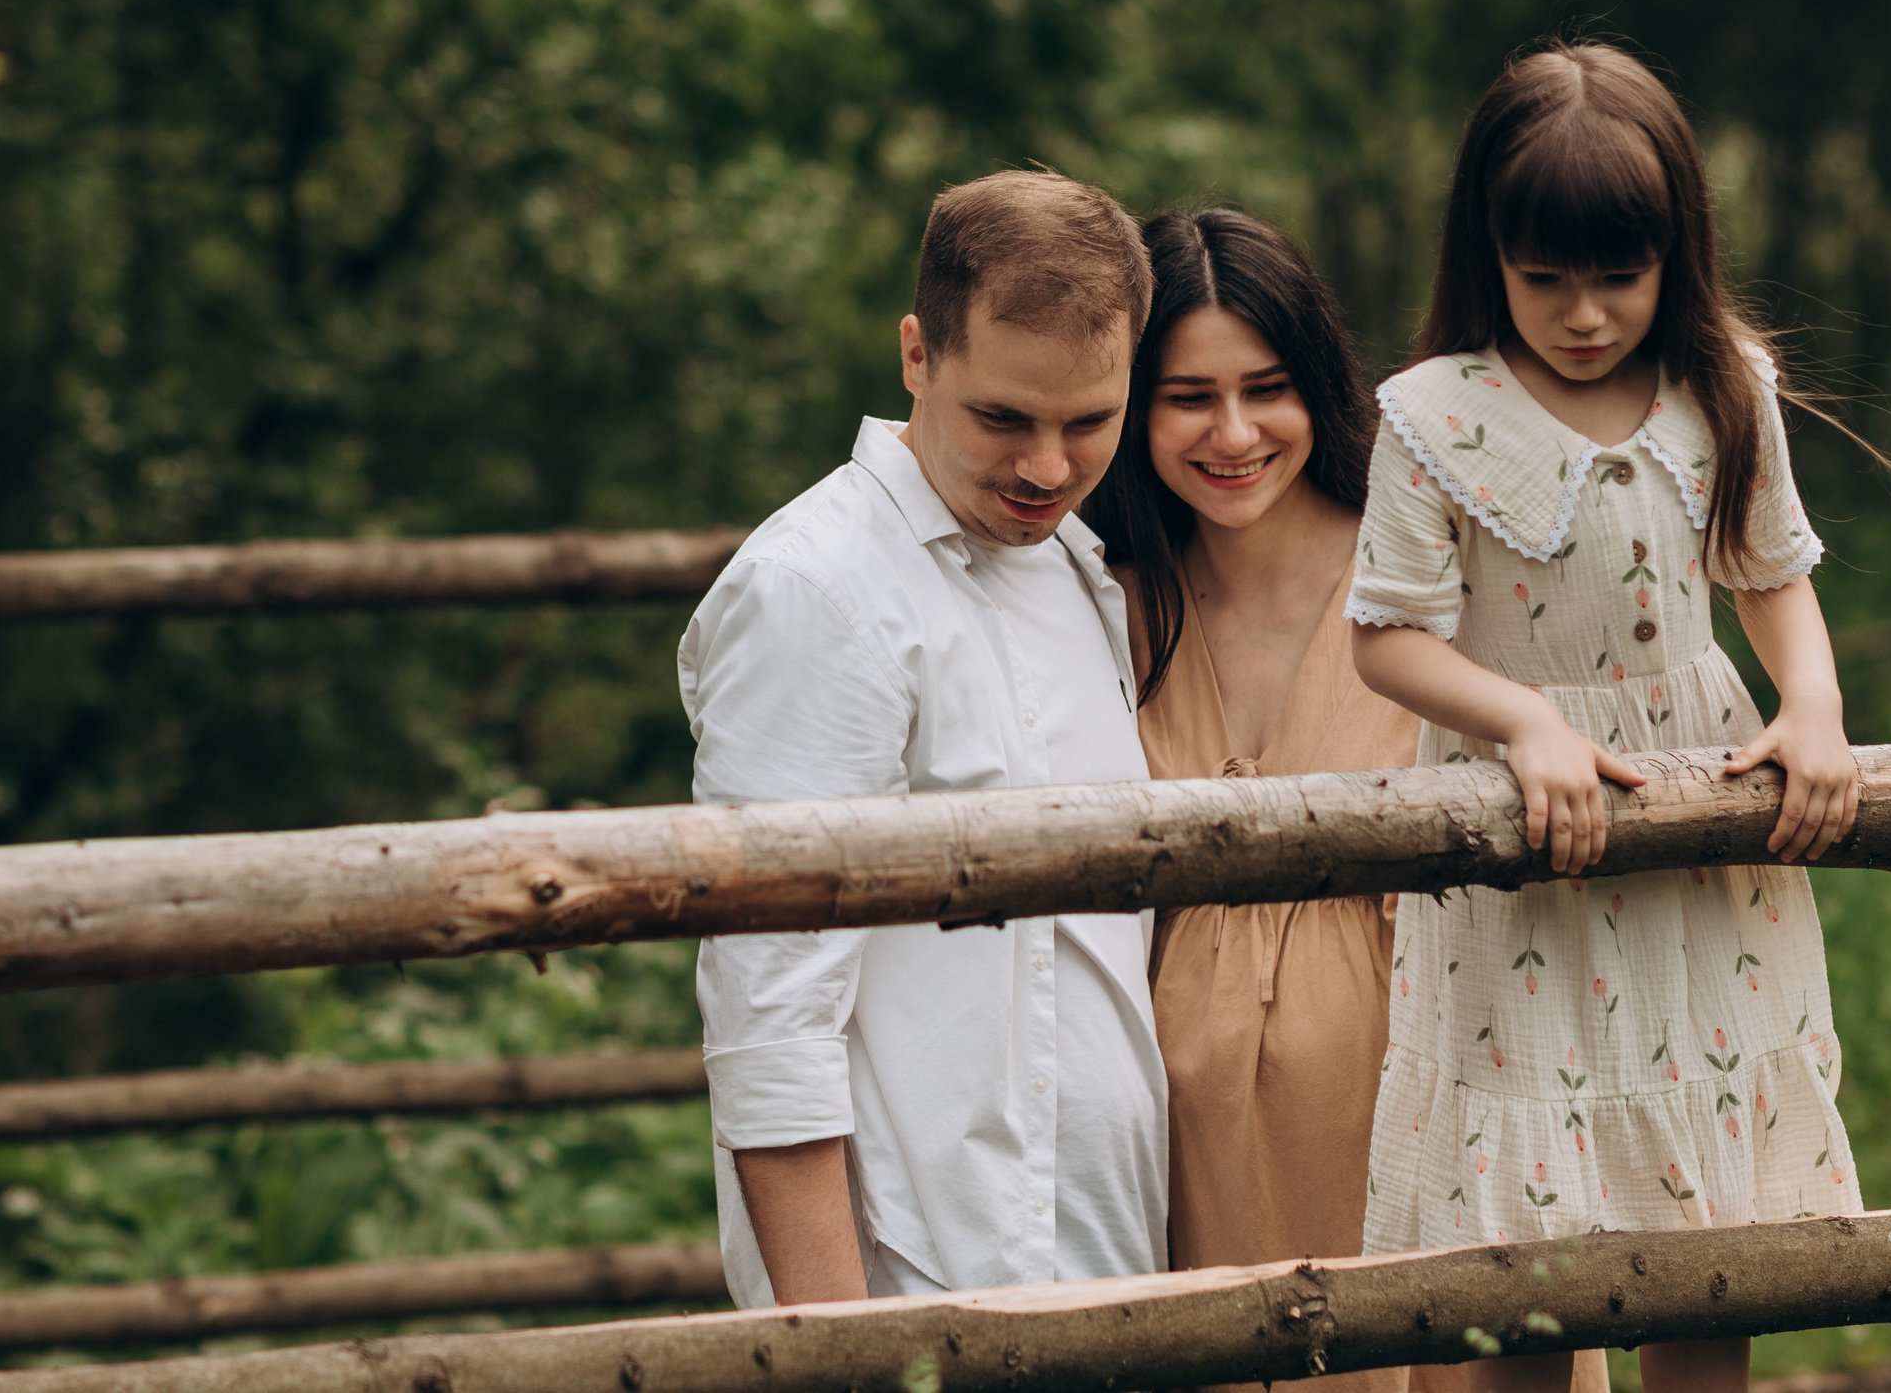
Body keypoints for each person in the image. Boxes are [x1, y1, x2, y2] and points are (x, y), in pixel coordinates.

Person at [1346, 42, 1864, 1393]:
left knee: (1706, 1238)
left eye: (1617, 276)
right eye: (1545, 276)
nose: (1583, 314)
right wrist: (1520, 718)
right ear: (1490, 251)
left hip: (1696, 827)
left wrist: (1810, 706)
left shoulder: (1724, 386)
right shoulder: (1432, 414)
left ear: (1673, 252)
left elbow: (1773, 574)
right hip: (1522, 836)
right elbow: (1387, 635)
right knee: (1529, 1259)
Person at [1083, 209, 1607, 1393]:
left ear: (1319, 382)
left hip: (1428, 1095)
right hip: (1190, 1134)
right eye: (1185, 397)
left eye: (1265, 388)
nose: (1231, 432)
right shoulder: (1101, 603)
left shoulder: (1427, 568)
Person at [681, 167, 1168, 1309]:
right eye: (1002, 417)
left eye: (1089, 421)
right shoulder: (816, 589)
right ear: (916, 354)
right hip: (915, 1276)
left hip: (1106, 1250)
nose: (1046, 467)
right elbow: (770, 1011)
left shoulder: (1078, 569)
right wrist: (841, 1344)